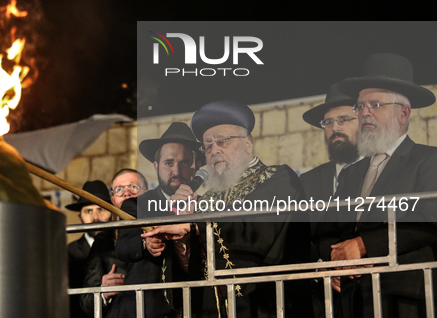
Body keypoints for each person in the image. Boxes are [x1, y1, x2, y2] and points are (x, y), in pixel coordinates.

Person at [143, 100, 311, 317]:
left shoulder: (277, 177)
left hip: (267, 305)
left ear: (248, 143)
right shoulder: (208, 198)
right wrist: (180, 240)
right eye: (207, 145)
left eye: (223, 141)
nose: (214, 150)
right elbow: (194, 264)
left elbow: (257, 231)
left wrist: (194, 226)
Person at [315, 53, 437, 318]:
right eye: (360, 106)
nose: (365, 113)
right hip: (354, 301)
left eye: (376, 104)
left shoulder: (428, 160)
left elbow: (428, 221)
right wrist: (334, 259)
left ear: (404, 112)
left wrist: (363, 245)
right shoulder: (353, 173)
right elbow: (326, 230)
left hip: (405, 300)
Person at [108, 122, 203, 318]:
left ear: (196, 167)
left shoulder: (206, 206)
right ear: (156, 166)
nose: (176, 170)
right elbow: (123, 246)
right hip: (147, 308)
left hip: (194, 307)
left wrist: (194, 221)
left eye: (184, 162)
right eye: (169, 163)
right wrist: (146, 243)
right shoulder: (137, 204)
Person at [301, 83, 362, 317]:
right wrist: (322, 265)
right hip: (324, 301)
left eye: (344, 119)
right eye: (328, 122)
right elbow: (298, 238)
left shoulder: (382, 171)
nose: (335, 128)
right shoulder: (307, 182)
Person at [80, 169, 148, 316]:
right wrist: (103, 291)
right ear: (113, 201)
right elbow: (85, 302)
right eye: (119, 189)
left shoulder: (164, 229)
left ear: (148, 195)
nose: (126, 193)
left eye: (134, 187)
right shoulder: (103, 242)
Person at [66, 180, 113, 318]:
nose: (95, 218)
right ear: (80, 216)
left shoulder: (120, 247)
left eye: (101, 209)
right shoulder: (68, 252)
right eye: (88, 211)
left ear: (112, 212)